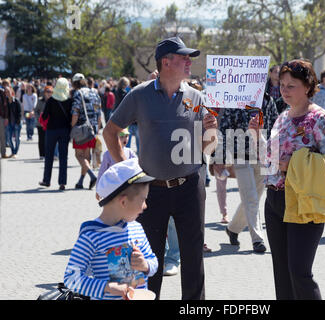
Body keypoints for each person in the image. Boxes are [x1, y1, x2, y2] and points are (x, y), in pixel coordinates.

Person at [103, 36, 218, 300]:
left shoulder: (197, 97)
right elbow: (110, 132)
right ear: (166, 62)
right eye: (183, 57)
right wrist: (127, 172)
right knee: (146, 259)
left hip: (190, 187)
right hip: (149, 192)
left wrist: (212, 130)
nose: (189, 61)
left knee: (192, 259)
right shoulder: (139, 95)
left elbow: (208, 148)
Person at [250, 59, 325, 300]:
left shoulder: (321, 119)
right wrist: (256, 136)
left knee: (300, 273)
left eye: (291, 85)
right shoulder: (281, 118)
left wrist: (293, 165)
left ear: (308, 86)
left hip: (305, 202)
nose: (284, 90)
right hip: (274, 200)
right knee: (281, 273)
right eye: (281, 85)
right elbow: (269, 162)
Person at [64, 158, 159, 300]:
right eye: (143, 199)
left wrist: (146, 265)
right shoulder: (92, 236)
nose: (145, 206)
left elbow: (153, 261)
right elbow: (71, 278)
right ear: (123, 202)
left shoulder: (137, 228)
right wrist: (107, 287)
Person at [216, 91, 278, 253]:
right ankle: (258, 239)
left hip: (263, 155)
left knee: (253, 198)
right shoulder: (235, 100)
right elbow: (224, 128)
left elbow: (275, 126)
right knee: (250, 198)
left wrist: (274, 152)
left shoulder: (268, 100)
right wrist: (220, 157)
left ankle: (233, 228)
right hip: (241, 155)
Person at [38, 79, 72, 190]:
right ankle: (62, 182)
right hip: (64, 130)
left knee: (49, 156)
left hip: (52, 130)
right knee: (63, 157)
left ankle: (46, 180)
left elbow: (44, 116)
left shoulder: (51, 100)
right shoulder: (69, 101)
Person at [71, 73, 101, 190]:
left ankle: (92, 175)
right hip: (92, 128)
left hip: (81, 128)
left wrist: (72, 126)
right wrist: (97, 128)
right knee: (86, 156)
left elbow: (75, 112)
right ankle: (80, 181)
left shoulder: (78, 93)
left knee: (79, 155)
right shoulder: (94, 92)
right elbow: (99, 112)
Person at [96, 127, 137, 200]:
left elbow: (137, 165)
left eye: (127, 136)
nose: (125, 139)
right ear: (114, 138)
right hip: (112, 186)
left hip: (126, 185)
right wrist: (98, 189)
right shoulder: (108, 154)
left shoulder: (130, 152)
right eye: (121, 137)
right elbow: (102, 172)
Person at [35, 85, 53, 159]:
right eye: (47, 91)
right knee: (41, 139)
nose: (49, 93)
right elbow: (36, 111)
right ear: (44, 92)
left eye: (51, 92)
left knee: (49, 140)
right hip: (41, 123)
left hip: (50, 123)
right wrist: (39, 117)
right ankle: (42, 154)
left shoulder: (53, 101)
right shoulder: (40, 100)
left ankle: (48, 154)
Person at [5, 86, 22, 158]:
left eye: (8, 91)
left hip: (16, 123)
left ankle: (15, 152)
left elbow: (20, 112)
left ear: (11, 92)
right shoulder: (5, 102)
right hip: (9, 123)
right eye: (6, 92)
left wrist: (18, 122)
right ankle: (13, 151)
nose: (7, 93)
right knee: (9, 138)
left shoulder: (16, 100)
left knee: (17, 138)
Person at [0, 81, 8, 158]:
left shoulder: (2, 92)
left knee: (2, 136)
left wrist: (6, 117)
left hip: (1, 116)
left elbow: (5, 106)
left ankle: (3, 153)